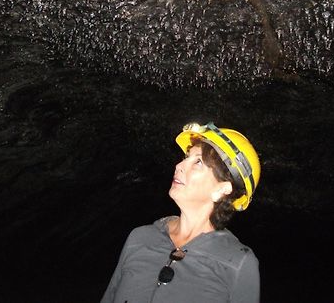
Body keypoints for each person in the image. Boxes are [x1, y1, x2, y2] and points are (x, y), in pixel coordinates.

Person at [100, 121, 261, 303]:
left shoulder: (238, 262)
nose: (179, 165)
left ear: (222, 190)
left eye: (198, 162)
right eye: (186, 157)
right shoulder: (140, 237)